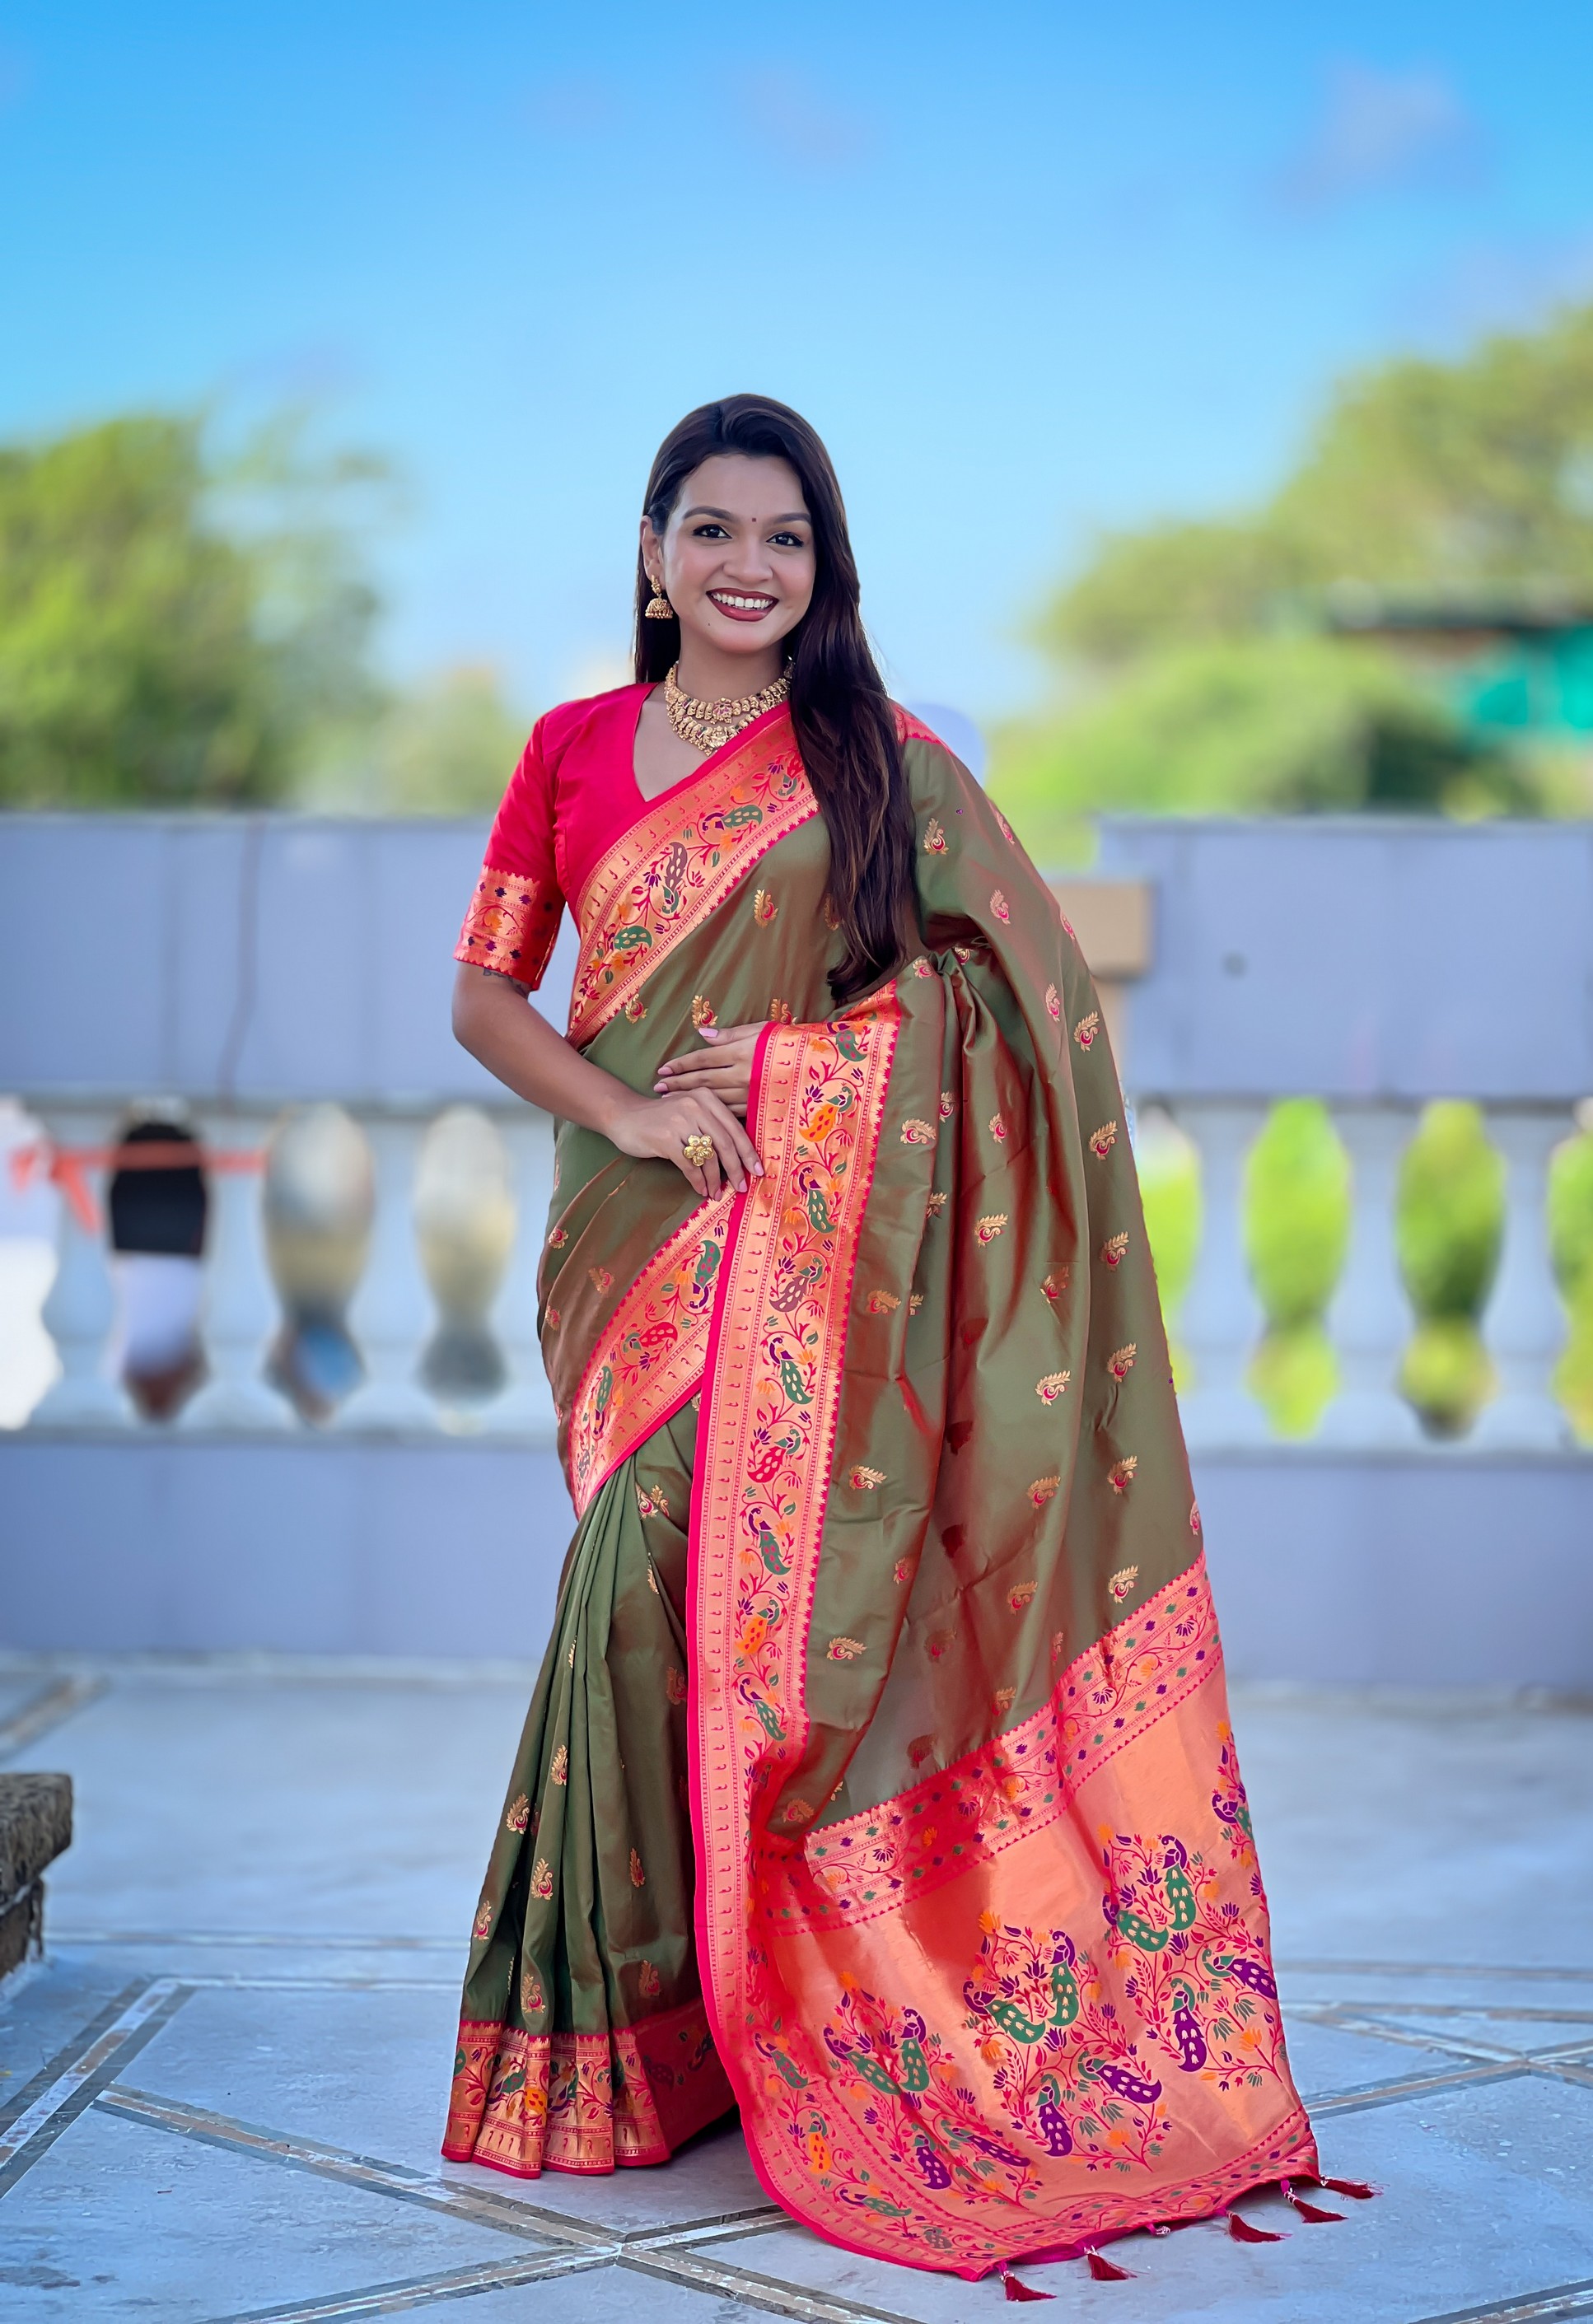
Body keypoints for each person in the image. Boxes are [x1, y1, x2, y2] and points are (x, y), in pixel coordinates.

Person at [441, 395, 1323, 2282]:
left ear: (822, 569)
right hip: (626, 1235)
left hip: (813, 1235)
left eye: (785, 538)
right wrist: (626, 1116)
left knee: (673, 1574)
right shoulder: (568, 751)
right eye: (712, 529)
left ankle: (713, 2009)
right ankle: (647, 2030)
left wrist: (795, 1070)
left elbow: (1018, 1000)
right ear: (652, 550)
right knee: (648, 1576)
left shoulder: (880, 760)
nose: (746, 566)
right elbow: (484, 996)